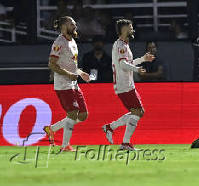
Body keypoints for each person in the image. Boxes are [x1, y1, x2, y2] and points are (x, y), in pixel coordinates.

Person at [102, 19, 155, 151]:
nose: (132, 29)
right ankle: (124, 143)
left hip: (127, 84)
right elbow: (122, 64)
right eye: (130, 27)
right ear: (123, 29)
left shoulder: (124, 45)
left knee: (137, 112)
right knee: (138, 112)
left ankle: (111, 128)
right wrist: (137, 70)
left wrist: (143, 59)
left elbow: (129, 61)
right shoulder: (120, 45)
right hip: (123, 84)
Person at [44, 16, 91, 152]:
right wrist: (68, 74)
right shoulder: (59, 42)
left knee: (83, 115)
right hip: (63, 84)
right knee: (73, 112)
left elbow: (72, 65)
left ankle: (51, 129)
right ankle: (65, 145)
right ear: (64, 26)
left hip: (74, 83)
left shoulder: (73, 42)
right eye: (72, 24)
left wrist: (81, 73)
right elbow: (51, 64)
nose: (75, 26)